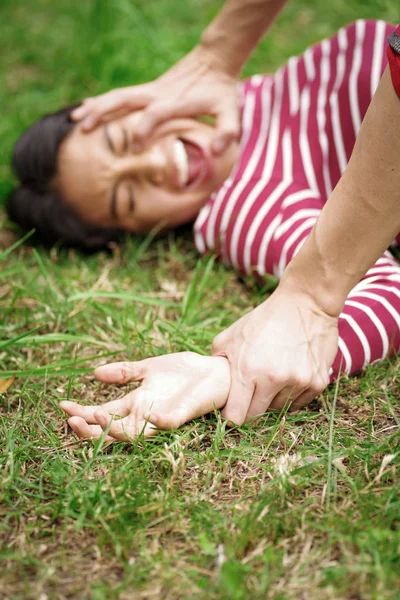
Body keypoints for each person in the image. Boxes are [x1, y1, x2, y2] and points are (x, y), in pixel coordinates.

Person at [7, 21, 400, 442]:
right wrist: (233, 373)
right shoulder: (244, 207)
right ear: (144, 231)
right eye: (129, 199)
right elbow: (383, 290)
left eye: (126, 140)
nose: (154, 165)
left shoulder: (248, 92)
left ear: (125, 105)